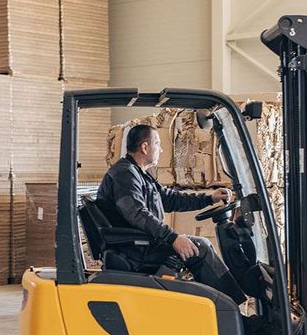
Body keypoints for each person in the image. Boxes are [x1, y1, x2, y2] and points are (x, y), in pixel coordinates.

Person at [94, 124, 249, 305]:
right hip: (136, 249)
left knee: (201, 246)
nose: (160, 149)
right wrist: (173, 238)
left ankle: (227, 309)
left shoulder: (140, 174)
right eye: (157, 143)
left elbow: (171, 199)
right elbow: (135, 213)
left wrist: (209, 199)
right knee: (200, 248)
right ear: (145, 147)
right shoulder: (124, 174)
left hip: (143, 243)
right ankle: (235, 313)